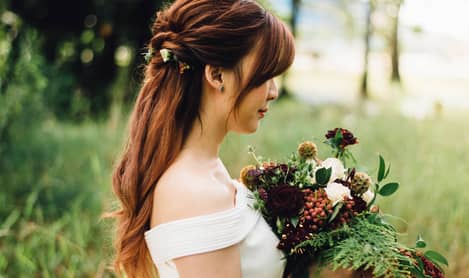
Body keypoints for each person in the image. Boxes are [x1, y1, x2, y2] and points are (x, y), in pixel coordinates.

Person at [109, 0, 295, 277]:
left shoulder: (207, 171)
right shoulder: (194, 192)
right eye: (265, 76)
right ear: (217, 74)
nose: (273, 92)